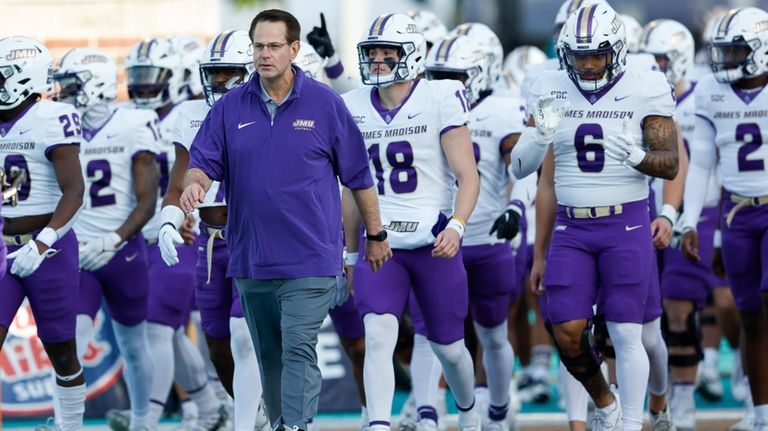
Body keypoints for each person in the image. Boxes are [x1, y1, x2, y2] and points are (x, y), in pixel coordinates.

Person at [181, 9, 391, 431]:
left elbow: (358, 175)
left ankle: (296, 425)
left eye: (274, 46)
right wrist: (194, 184)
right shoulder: (228, 108)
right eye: (258, 46)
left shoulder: (325, 103)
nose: (264, 55)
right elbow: (201, 161)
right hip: (252, 258)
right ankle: (282, 423)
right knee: (269, 354)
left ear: (294, 49)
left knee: (298, 348)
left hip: (311, 257)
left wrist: (376, 233)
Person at [512, 3, 679, 430]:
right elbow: (523, 170)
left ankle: (631, 423)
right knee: (565, 330)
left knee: (627, 332)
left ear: (617, 51)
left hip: (625, 223)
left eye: (596, 54)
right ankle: (605, 403)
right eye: (579, 55)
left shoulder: (646, 85)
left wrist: (642, 157)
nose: (587, 65)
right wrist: (540, 136)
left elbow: (671, 162)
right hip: (572, 225)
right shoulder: (549, 84)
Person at [341, 12, 481, 431]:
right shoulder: (350, 105)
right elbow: (350, 189)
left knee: (450, 348)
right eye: (373, 52)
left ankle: (469, 410)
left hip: (432, 239)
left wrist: (457, 225)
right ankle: (379, 424)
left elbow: (468, 175)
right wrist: (350, 254)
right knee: (378, 335)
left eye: (388, 52)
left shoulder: (440, 96)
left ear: (413, 54)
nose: (379, 61)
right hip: (379, 243)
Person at [158, 29, 269, 431]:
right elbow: (177, 182)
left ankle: (249, 422)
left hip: (256, 238)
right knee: (218, 344)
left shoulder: (272, 110)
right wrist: (170, 221)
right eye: (215, 73)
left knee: (243, 335)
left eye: (227, 73)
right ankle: (258, 413)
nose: (218, 82)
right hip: (209, 240)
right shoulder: (191, 113)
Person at [424, 33, 531, 431]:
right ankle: (432, 410)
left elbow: (521, 165)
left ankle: (499, 412)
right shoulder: (425, 105)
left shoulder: (504, 110)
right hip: (435, 241)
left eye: (453, 75)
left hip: (486, 236)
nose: (445, 83)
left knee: (493, 334)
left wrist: (517, 206)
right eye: (438, 74)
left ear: (480, 73)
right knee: (431, 334)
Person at [53, 47, 160, 431]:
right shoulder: (58, 124)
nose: (62, 92)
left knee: (133, 343)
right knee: (68, 340)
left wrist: (113, 239)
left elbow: (148, 200)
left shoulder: (134, 123)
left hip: (123, 251)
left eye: (70, 84)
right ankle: (68, 424)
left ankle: (143, 421)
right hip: (74, 252)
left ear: (94, 85)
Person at [681, 6, 768, 430]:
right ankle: (761, 414)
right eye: (725, 51)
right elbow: (700, 165)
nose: (727, 60)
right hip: (736, 214)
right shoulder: (711, 92)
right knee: (750, 316)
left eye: (736, 51)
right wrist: (692, 222)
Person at [0, 35, 86, 431]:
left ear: (23, 77)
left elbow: (74, 190)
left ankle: (70, 427)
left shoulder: (52, 116)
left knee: (61, 350)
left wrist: (44, 240)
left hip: (49, 249)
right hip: (4, 248)